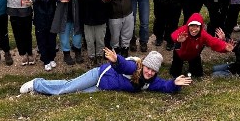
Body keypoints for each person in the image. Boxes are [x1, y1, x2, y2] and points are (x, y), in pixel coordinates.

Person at [20, 48, 192, 95]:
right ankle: (37, 83)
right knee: (67, 87)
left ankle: (39, 90)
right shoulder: (135, 68)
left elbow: (164, 86)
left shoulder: (151, 81)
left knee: (71, 93)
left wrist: (174, 84)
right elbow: (123, 65)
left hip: (101, 87)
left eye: (153, 71)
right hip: (98, 75)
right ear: (144, 65)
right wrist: (117, 60)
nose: (149, 72)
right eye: (148, 68)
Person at [169, 13, 234, 78]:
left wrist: (225, 47)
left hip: (193, 55)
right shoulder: (184, 29)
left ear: (201, 27)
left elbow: (213, 41)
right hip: (179, 53)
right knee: (174, 73)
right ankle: (175, 70)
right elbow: (173, 34)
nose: (194, 29)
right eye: (192, 26)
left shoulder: (203, 34)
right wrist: (178, 39)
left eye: (197, 26)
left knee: (198, 75)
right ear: (188, 25)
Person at [78, 0, 112, 66]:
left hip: (100, 17)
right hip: (87, 18)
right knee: (89, 40)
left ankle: (99, 56)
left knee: (100, 40)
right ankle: (91, 57)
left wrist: (107, 0)